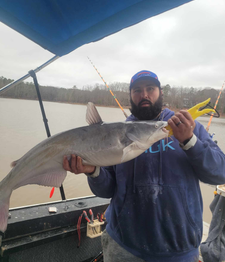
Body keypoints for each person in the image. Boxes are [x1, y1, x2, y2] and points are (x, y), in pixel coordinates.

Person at [63, 70, 225, 262]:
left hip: (178, 247)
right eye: (137, 90)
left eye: (150, 88)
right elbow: (106, 189)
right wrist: (92, 171)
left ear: (161, 92)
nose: (144, 94)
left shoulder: (189, 127)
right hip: (123, 245)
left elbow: (220, 173)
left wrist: (190, 142)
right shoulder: (115, 135)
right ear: (131, 96)